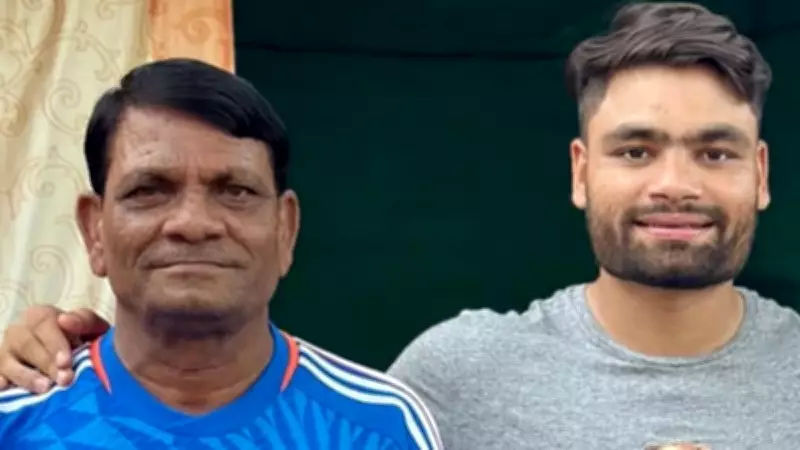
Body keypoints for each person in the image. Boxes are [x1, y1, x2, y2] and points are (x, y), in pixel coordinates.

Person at [1, 1, 798, 448]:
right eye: (636, 149)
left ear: (761, 175)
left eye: (715, 152)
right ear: (581, 172)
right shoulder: (449, 380)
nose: (674, 184)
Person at [0, 58, 441, 449]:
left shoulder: (381, 428)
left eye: (236, 191)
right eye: (149, 190)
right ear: (94, 230)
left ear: (285, 229)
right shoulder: (14, 423)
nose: (193, 224)